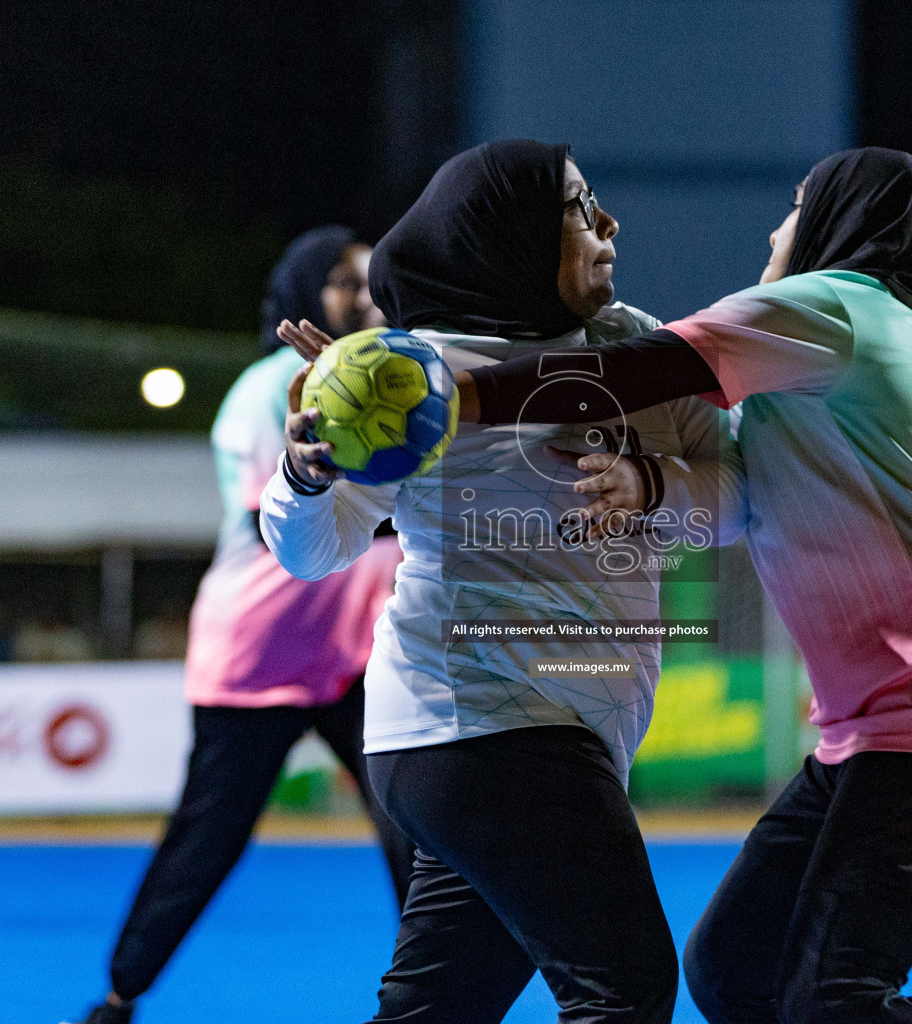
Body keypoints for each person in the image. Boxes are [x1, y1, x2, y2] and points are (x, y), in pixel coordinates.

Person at [457, 148, 912, 1024]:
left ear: (845, 228)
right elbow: (744, 499)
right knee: (734, 969)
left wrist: (440, 395)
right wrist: (649, 485)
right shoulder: (827, 355)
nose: (778, 228)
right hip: (890, 722)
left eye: (796, 206)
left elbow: (636, 370)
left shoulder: (840, 304)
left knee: (834, 997)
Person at [262, 140, 739, 1024]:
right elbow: (310, 551)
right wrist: (304, 476)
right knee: (623, 991)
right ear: (508, 235)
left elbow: (742, 498)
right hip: (480, 725)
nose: (608, 222)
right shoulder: (410, 374)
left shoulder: (635, 348)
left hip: (534, 734)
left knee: (438, 1009)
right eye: (577, 205)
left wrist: (652, 486)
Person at [69, 227, 414, 1024]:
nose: (358, 295)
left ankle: (434, 1003)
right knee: (208, 840)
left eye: (366, 281)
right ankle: (119, 996)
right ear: (298, 293)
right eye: (337, 281)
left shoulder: (381, 383)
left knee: (415, 823)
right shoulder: (269, 389)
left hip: (349, 656)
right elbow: (292, 520)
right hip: (254, 656)